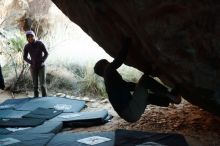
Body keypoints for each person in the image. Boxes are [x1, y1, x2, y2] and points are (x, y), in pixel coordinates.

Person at [94, 37, 181, 122]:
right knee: (144, 81)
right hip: (130, 110)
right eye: (108, 63)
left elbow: (129, 86)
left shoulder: (111, 82)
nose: (110, 63)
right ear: (104, 67)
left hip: (130, 114)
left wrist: (146, 75)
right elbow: (119, 60)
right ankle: (172, 96)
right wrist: (127, 42)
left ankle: (169, 99)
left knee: (146, 95)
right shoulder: (108, 72)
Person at [23, 30, 48, 97]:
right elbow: (24, 57)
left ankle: (44, 99)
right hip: (33, 68)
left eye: (32, 36)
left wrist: (42, 60)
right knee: (35, 85)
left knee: (42, 85)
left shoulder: (40, 43)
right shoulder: (27, 46)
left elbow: (46, 53)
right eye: (29, 37)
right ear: (27, 38)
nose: (31, 38)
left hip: (41, 67)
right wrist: (31, 62)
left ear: (34, 36)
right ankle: (36, 99)